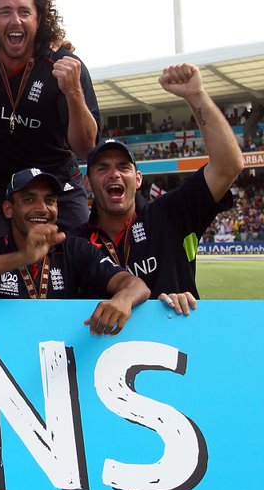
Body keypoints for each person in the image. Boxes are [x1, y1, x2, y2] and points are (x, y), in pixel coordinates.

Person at [80, 64, 245, 314]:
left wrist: (195, 95)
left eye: (123, 167)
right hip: (102, 350)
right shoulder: (77, 243)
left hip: (174, 347)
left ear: (138, 179)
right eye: (102, 168)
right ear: (88, 183)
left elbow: (228, 165)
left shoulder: (172, 214)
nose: (114, 173)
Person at [0, 0, 99, 240]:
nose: (15, 20)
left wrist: (73, 92)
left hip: (54, 181)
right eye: (5, 12)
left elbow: (86, 148)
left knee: (78, 255)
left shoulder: (65, 65)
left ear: (39, 21)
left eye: (25, 12)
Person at [0, 168, 150, 335]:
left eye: (49, 200)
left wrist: (124, 299)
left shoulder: (74, 248)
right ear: (8, 209)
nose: (42, 208)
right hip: (1, 363)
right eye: (29, 200)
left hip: (59, 364)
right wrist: (20, 258)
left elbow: (135, 285)